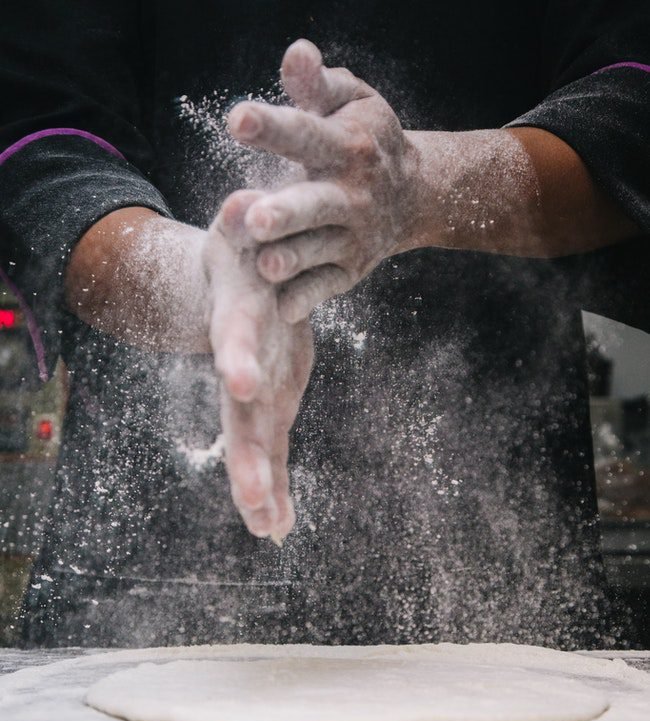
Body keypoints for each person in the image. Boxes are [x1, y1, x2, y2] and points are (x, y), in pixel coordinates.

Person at [1, 1, 648, 649]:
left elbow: (633, 97)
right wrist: (202, 285)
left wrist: (429, 185)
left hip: (506, 555)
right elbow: (41, 138)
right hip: (148, 577)